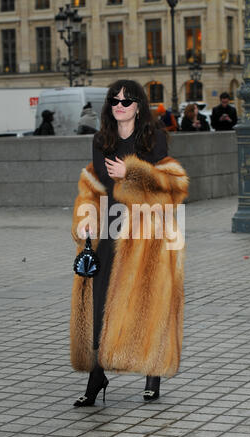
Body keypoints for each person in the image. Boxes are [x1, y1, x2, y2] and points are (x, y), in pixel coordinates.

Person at [70, 79, 189, 407]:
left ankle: (153, 371)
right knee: (101, 299)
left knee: (150, 301)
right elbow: (96, 183)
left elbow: (169, 188)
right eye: (114, 101)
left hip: (147, 229)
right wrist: (87, 215)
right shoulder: (101, 139)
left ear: (139, 106)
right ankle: (98, 373)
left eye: (127, 100)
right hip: (111, 227)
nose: (120, 105)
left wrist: (132, 173)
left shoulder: (155, 138)